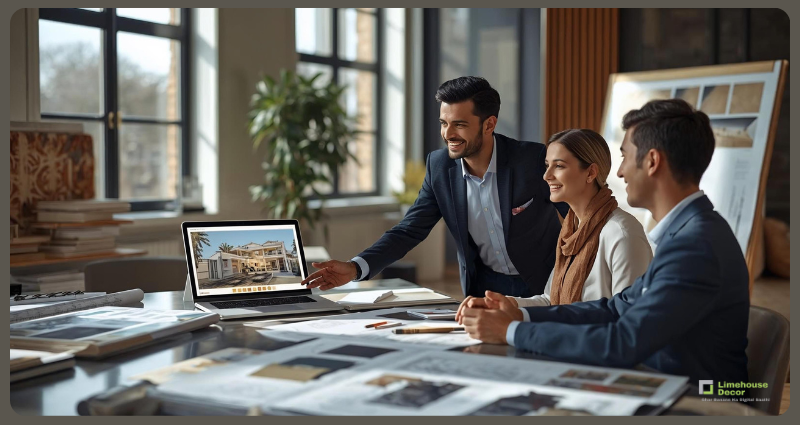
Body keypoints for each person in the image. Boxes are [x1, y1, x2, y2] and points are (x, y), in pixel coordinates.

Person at [461, 99, 750, 385]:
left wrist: (511, 331)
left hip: (696, 400)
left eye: (625, 156)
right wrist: (520, 316)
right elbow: (615, 308)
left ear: (652, 161)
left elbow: (623, 341)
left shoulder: (694, 245)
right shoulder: (686, 233)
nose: (620, 172)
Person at [303, 76, 568, 298]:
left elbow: (577, 214)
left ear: (489, 124)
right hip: (484, 289)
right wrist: (355, 267)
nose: (448, 134)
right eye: (444, 123)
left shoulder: (532, 159)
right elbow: (410, 229)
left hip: (544, 283)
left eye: (459, 125)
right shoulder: (440, 167)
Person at [455, 129, 652, 321]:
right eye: (547, 165)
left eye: (559, 166)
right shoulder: (570, 230)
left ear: (591, 172)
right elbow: (551, 301)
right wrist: (505, 304)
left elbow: (628, 319)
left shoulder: (622, 234)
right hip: (568, 338)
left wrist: (518, 315)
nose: (546, 175)